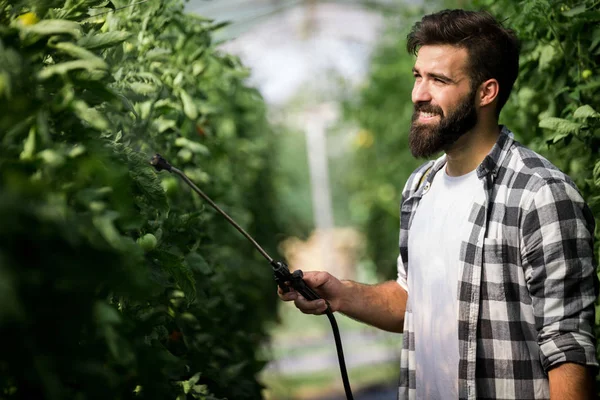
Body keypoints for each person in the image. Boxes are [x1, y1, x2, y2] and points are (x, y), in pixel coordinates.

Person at [278, 9, 599, 400]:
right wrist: (341, 293)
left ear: (487, 92)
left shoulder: (539, 195)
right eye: (418, 76)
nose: (419, 94)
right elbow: (412, 300)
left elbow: (568, 349)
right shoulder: (420, 188)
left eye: (439, 80)